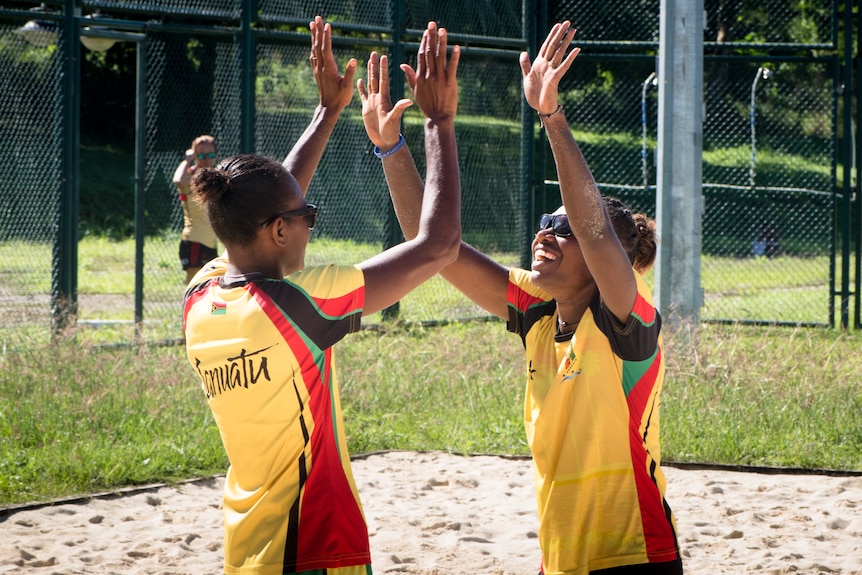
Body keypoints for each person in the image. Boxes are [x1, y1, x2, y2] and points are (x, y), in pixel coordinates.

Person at [360, 20, 683, 575]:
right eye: (542, 224)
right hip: (559, 557)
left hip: (633, 553)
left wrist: (551, 117)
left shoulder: (627, 319)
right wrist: (391, 149)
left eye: (563, 229)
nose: (544, 234)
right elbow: (431, 245)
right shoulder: (536, 310)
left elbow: (595, 229)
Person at [182, 17, 461, 575]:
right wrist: (439, 121)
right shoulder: (299, 304)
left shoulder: (202, 292)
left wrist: (327, 112)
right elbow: (439, 246)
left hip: (248, 539)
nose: (310, 222)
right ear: (279, 232)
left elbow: (266, 200)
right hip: (314, 541)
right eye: (305, 216)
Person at [173, 134, 219, 283]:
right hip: (194, 241)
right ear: (195, 155)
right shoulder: (190, 176)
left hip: (211, 242)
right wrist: (188, 159)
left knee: (210, 287)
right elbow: (178, 180)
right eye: (201, 155)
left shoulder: (214, 177)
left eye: (211, 155)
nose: (207, 159)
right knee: (195, 285)